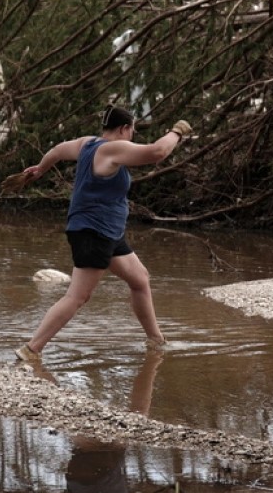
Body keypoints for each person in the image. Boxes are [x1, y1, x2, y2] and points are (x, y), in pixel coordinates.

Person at [10, 105, 192, 364]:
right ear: (123, 128)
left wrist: (40, 168)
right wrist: (177, 132)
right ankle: (31, 349)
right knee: (77, 295)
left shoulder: (87, 144)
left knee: (140, 279)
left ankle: (156, 342)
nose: (132, 136)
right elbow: (157, 152)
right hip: (93, 232)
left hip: (107, 232)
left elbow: (58, 150)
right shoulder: (111, 148)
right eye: (132, 131)